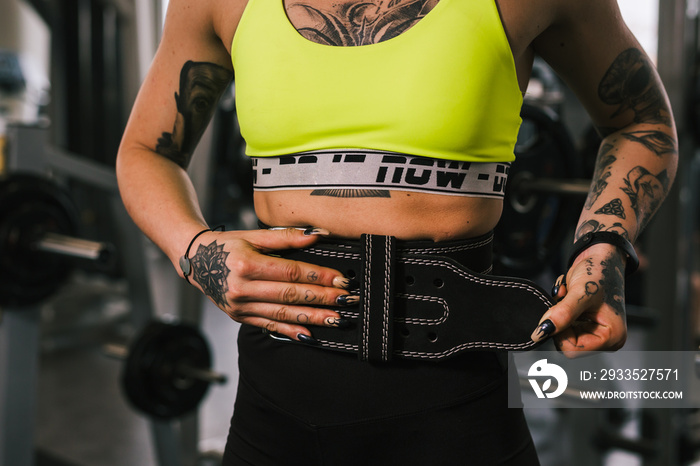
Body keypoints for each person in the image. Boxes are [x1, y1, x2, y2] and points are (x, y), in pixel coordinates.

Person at [116, 0, 678, 464]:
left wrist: (602, 245)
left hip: (455, 406)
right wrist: (196, 250)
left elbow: (642, 122)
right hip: (276, 399)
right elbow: (145, 152)